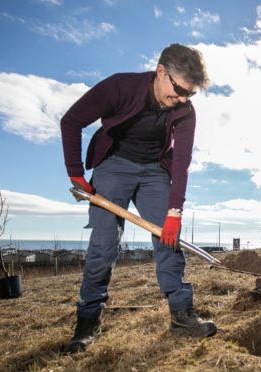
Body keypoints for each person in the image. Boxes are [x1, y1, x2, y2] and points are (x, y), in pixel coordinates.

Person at [60, 43, 216, 353]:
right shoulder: (121, 86)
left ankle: (182, 317)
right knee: (103, 244)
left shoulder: (184, 110)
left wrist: (174, 212)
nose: (182, 100)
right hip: (114, 165)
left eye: (190, 94)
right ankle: (87, 322)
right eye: (179, 91)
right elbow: (72, 120)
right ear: (161, 72)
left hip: (154, 172)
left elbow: (181, 163)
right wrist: (76, 173)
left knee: (168, 240)